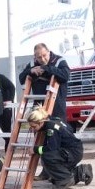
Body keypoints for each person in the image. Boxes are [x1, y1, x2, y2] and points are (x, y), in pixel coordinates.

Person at [19, 43, 70, 180]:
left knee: (58, 140)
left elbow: (65, 76)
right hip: (39, 108)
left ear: (49, 52)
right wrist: (31, 71)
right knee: (42, 140)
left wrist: (46, 69)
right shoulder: (32, 63)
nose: (42, 59)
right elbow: (21, 78)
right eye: (39, 57)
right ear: (34, 56)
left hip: (57, 107)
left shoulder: (60, 61)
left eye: (44, 55)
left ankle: (59, 172)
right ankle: (45, 171)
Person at [26, 107, 93, 189]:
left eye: (33, 126)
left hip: (72, 152)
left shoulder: (51, 128)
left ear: (40, 122)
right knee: (55, 175)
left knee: (47, 156)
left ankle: (65, 179)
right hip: (74, 150)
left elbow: (51, 148)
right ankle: (80, 171)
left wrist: (35, 150)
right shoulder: (54, 120)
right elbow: (70, 129)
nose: (32, 129)